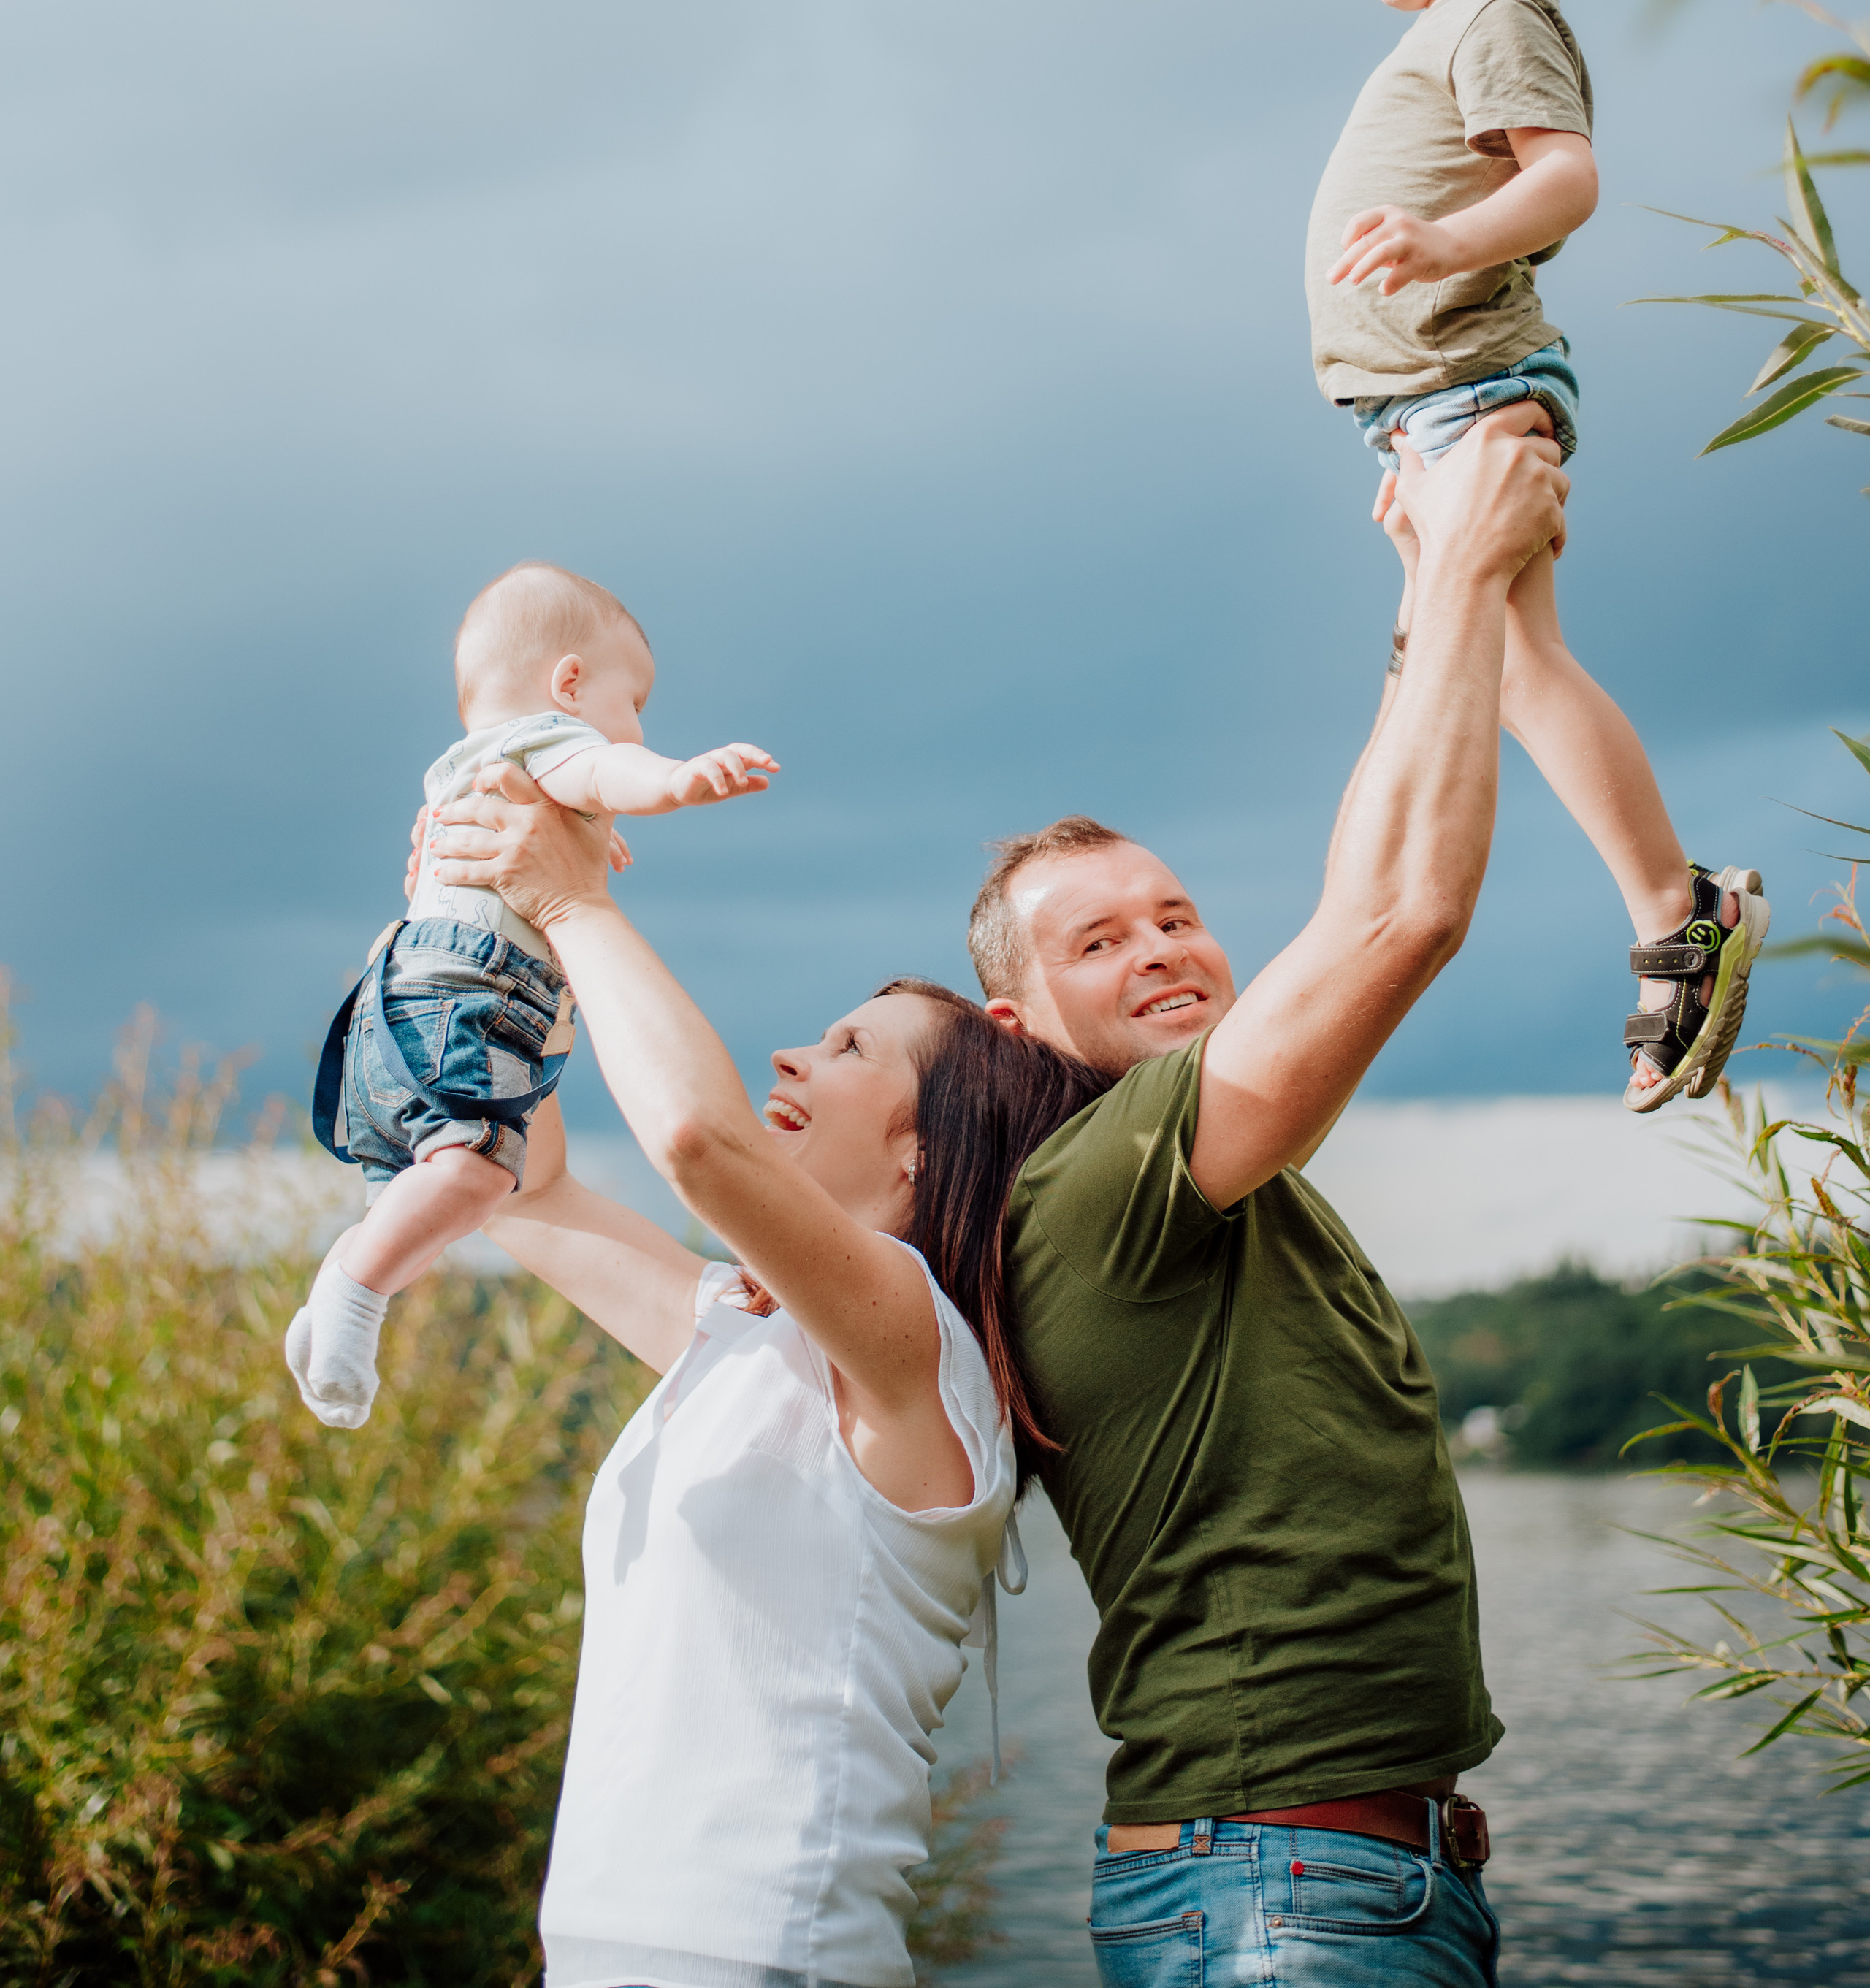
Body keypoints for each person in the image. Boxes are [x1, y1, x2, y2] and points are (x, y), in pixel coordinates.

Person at [956, 424, 1568, 1985]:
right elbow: (1397, 911)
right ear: (1019, 1029)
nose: (1159, 945)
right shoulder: (1096, 1186)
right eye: (1095, 944)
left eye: (1176, 915)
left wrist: (1433, 583)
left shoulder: (1220, 1188)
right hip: (1282, 1903)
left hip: (1335, 1884)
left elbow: (1366, 878)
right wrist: (1459, 580)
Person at [414, 777, 1109, 1988]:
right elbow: (522, 1189)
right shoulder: (736, 1328)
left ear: (924, 1148)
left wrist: (573, 896)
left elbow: (697, 1137)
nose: (791, 1048)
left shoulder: (921, 1349)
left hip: (766, 1953)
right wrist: (476, 907)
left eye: (847, 1048)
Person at [1283, 0, 1766, 1113]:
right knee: (1471, 675)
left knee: (1516, 667)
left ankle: (1683, 908)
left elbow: (1566, 179)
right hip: (1423, 414)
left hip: (1469, 392)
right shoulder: (1454, 25)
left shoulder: (1495, 13)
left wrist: (1442, 242)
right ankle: (1663, 906)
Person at [286, 559, 777, 1427]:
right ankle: (358, 1292)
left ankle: (345, 1280)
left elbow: (568, 811)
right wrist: (681, 778)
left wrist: (591, 835)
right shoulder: (556, 738)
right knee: (477, 1174)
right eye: (636, 704)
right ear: (570, 684)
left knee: (430, 1191)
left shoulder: (456, 772)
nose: (633, 727)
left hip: (394, 1000)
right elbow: (612, 775)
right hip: (467, 999)